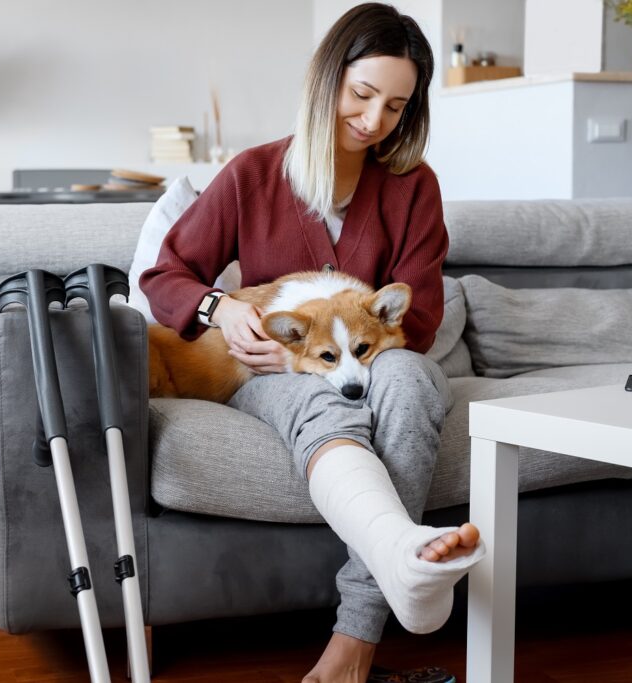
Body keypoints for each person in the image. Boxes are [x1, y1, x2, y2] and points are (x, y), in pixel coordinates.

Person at [140, 4, 485, 682]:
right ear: (328, 78)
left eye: (395, 106)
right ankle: (382, 599)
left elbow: (418, 318)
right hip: (269, 370)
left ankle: (357, 634)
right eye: (361, 94)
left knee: (411, 381)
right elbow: (165, 275)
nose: (373, 120)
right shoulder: (252, 174)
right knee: (326, 405)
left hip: (380, 358)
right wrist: (221, 308)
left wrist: (358, 349)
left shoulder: (415, 187)